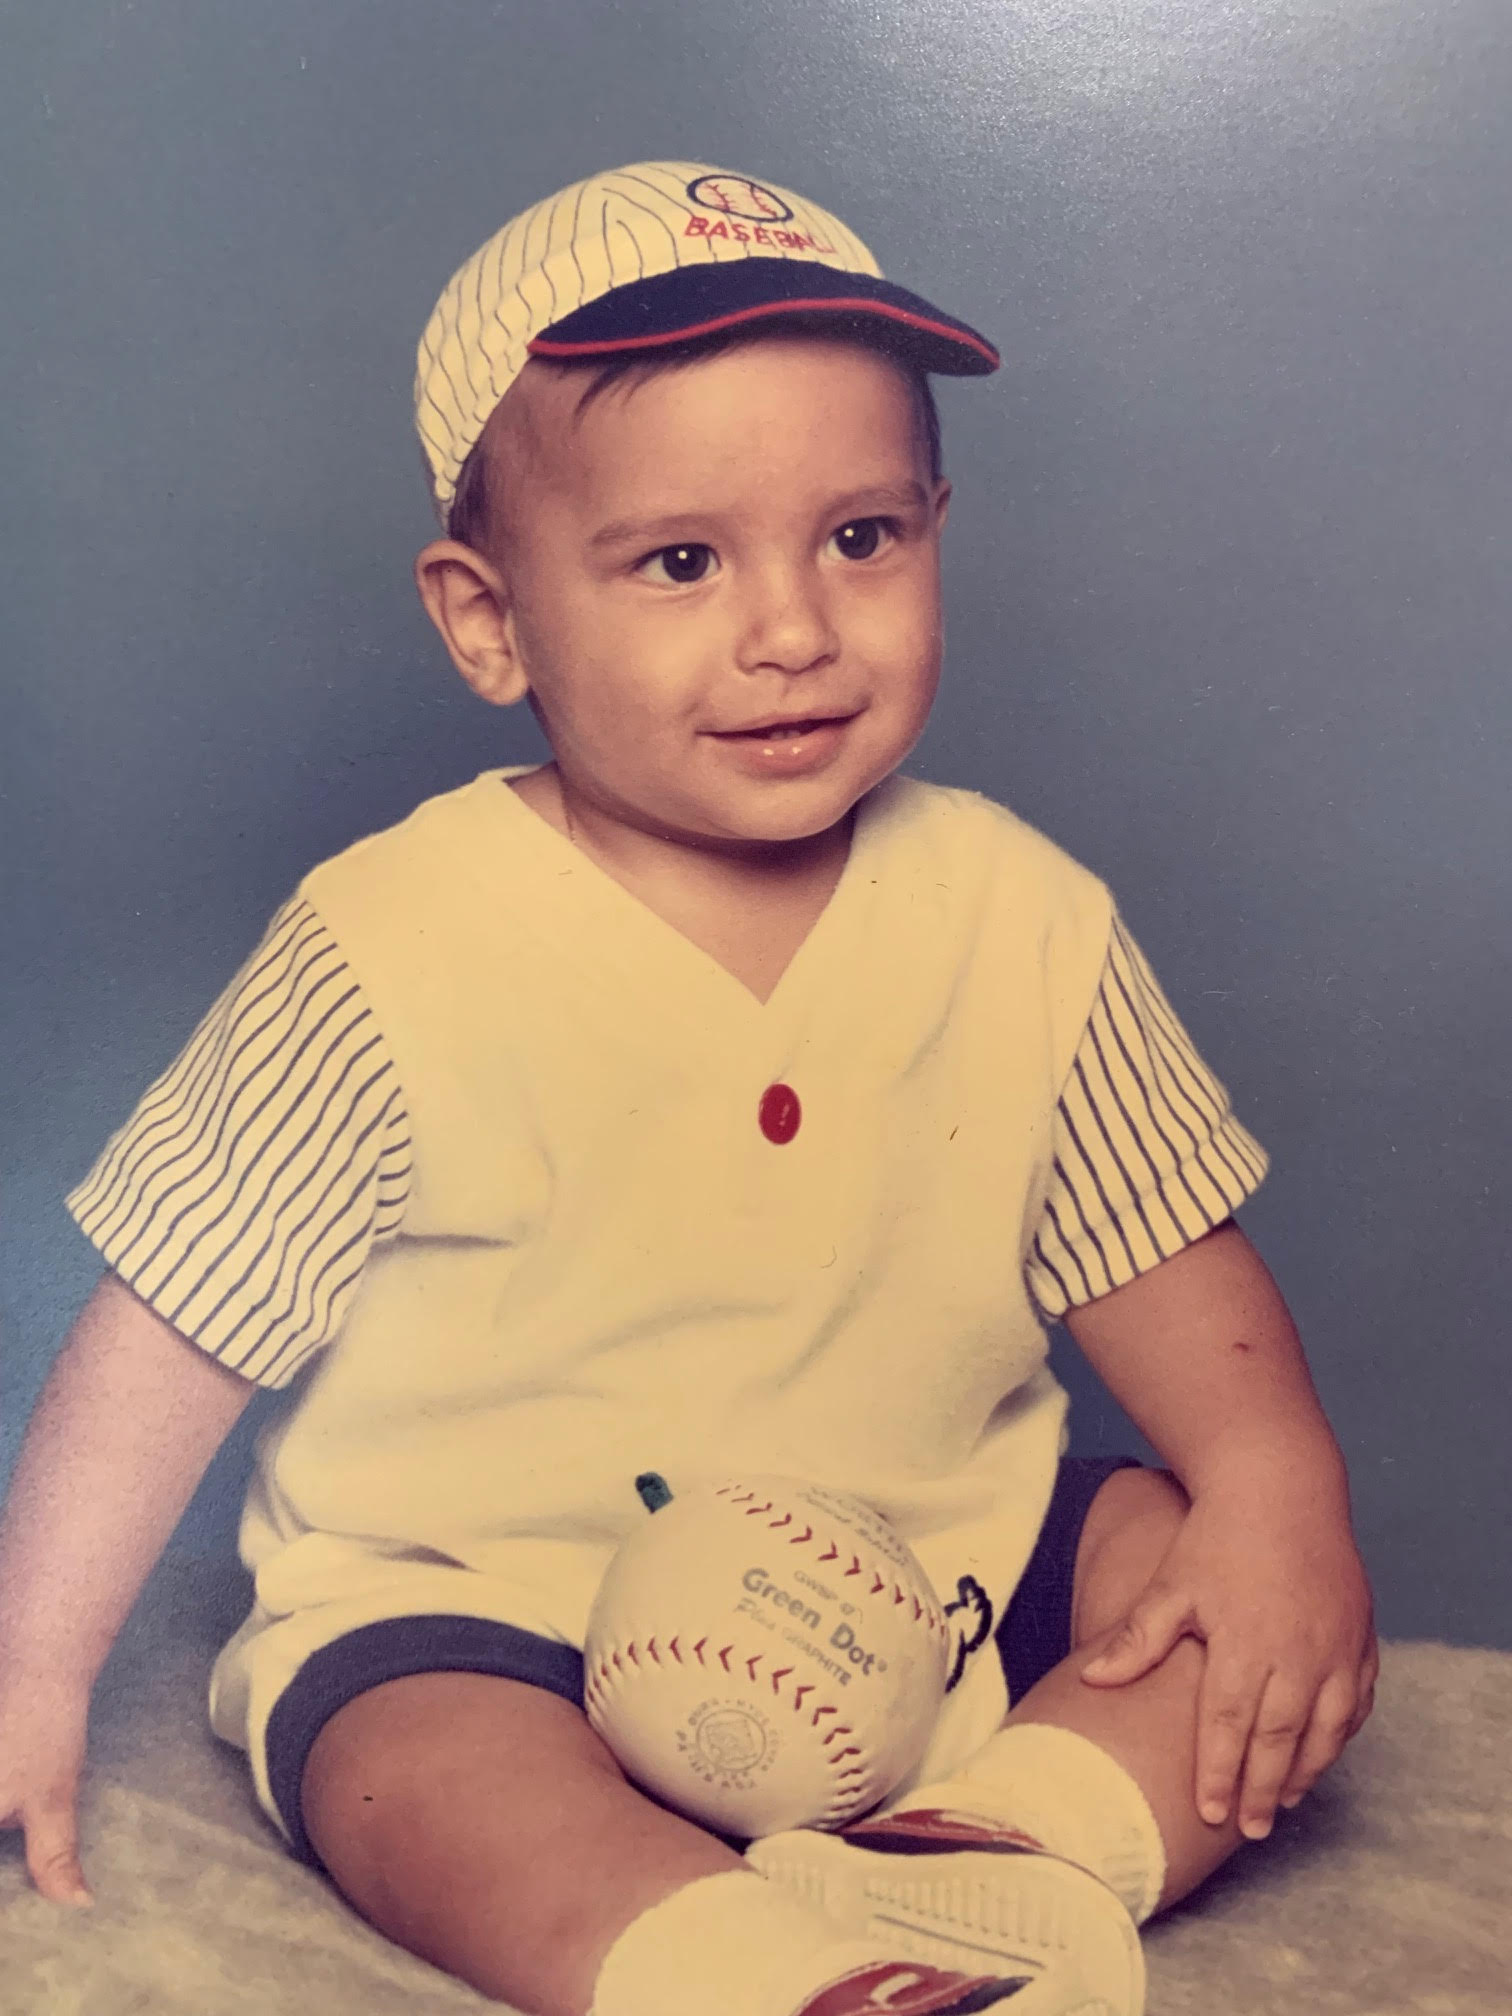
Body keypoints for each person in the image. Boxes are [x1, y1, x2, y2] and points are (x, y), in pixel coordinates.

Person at [0, 162, 1377, 2016]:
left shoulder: (1020, 912)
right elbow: (173, 1324)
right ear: (489, 621)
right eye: (680, 562)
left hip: (933, 1574)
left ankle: (993, 1850)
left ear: (940, 529)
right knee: (411, 1771)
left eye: (861, 538)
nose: (792, 629)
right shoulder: (392, 943)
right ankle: (730, 1967)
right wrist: (32, 1662)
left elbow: (1167, 1264)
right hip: (503, 1613)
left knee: (1225, 1582)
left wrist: (1278, 1487)